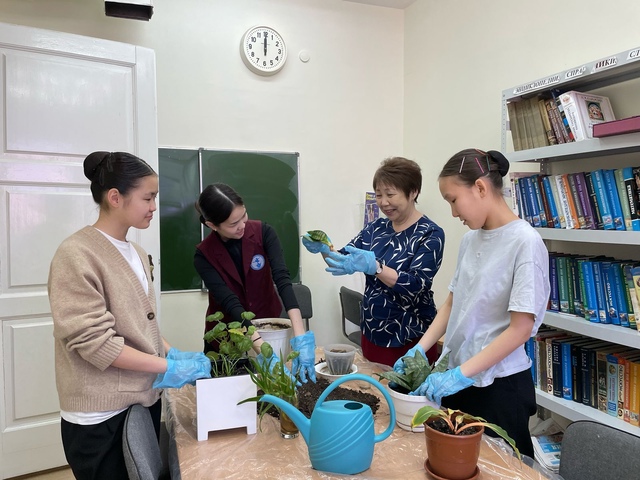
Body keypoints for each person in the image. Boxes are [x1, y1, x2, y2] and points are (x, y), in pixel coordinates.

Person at [48, 151, 210, 480]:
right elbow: (96, 344)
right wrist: (167, 367)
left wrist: (170, 351)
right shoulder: (75, 254)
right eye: (147, 198)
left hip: (142, 398)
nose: (154, 207)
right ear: (115, 198)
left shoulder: (136, 251)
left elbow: (139, 323)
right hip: (101, 416)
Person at [394, 148, 550, 458]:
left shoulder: (525, 242)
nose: (454, 213)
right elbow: (453, 303)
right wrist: (420, 348)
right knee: (451, 462)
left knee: (499, 469)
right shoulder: (470, 240)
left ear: (479, 187)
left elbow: (520, 329)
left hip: (498, 386)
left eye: (453, 200)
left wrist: (460, 375)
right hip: (458, 380)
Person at [303, 157, 445, 367]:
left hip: (410, 336)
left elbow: (416, 285)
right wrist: (324, 248)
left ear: (413, 192)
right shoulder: (376, 228)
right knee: (371, 385)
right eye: (379, 195)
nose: (383, 202)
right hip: (372, 330)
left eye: (390, 194)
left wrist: (377, 268)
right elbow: (342, 260)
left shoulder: (430, 234)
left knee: (402, 387)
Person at [194, 183, 316, 382]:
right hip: (228, 336)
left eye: (243, 215)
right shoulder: (204, 255)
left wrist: (300, 335)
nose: (242, 225)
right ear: (212, 225)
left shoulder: (264, 233)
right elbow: (229, 301)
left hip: (268, 326)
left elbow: (282, 279)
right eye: (233, 224)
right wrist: (263, 351)